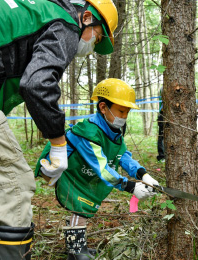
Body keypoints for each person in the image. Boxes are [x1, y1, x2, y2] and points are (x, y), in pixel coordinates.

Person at [0, 0, 117, 259]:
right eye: (97, 36)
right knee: (12, 187)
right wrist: (58, 145)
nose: (92, 45)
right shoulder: (66, 22)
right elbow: (37, 84)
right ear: (88, 18)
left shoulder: (33, 9)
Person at [35, 78, 160, 260]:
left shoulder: (113, 131)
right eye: (121, 111)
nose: (124, 116)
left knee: (82, 206)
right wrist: (131, 187)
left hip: (82, 170)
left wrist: (143, 174)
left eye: (127, 112)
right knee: (80, 204)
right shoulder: (89, 133)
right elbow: (102, 168)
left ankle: (77, 248)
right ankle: (77, 252)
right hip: (66, 171)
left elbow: (122, 155)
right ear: (103, 107)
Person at [157, 87, 166, 162]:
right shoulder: (163, 89)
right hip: (162, 115)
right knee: (161, 136)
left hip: (167, 115)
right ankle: (161, 155)